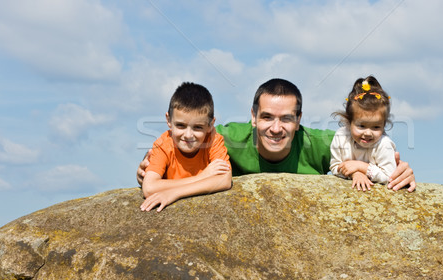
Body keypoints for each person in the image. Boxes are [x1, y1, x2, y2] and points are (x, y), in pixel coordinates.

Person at [137, 78, 416, 191]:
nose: (275, 128)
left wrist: (399, 171)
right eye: (267, 117)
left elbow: (369, 148)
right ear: (253, 116)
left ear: (299, 121)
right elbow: (181, 136)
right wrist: (151, 169)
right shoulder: (225, 137)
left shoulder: (323, 144)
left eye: (286, 119)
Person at [139, 82, 232, 212]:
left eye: (198, 127)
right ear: (168, 120)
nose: (188, 135)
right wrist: (202, 177)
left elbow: (224, 179)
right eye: (181, 126)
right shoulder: (162, 145)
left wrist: (174, 193)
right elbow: (149, 188)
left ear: (211, 125)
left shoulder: (213, 139)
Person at [330, 76, 413, 191]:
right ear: (349, 122)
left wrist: (362, 167)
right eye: (361, 126)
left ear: (384, 125)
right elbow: (335, 166)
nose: (368, 133)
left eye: (376, 127)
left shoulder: (384, 144)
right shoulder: (341, 136)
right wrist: (355, 173)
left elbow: (390, 176)